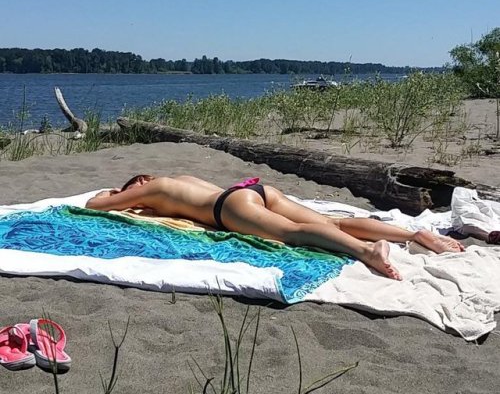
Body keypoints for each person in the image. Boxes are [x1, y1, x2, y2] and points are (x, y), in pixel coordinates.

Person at [85, 174, 465, 281]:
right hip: (253, 190)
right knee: (332, 221)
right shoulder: (179, 178)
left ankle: (368, 251)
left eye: (131, 188)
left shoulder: (151, 189)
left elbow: (95, 205)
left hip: (228, 207)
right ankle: (414, 235)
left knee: (291, 235)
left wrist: (115, 194)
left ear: (139, 183)